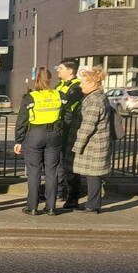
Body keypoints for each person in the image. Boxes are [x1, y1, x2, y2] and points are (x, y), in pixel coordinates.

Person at [14, 66, 65, 216]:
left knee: (34, 172)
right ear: (50, 79)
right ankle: (51, 207)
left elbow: (22, 121)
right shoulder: (58, 95)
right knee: (52, 172)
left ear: (36, 79)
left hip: (35, 135)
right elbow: (66, 115)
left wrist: (18, 140)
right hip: (54, 135)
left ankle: (32, 206)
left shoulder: (30, 97)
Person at [69, 66, 113, 214]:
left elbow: (87, 126)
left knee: (93, 174)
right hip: (96, 143)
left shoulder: (94, 101)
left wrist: (77, 146)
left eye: (83, 82)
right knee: (93, 174)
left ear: (92, 83)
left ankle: (93, 205)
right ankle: (92, 203)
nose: (80, 85)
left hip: (93, 145)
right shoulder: (97, 97)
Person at [55, 59, 85, 202]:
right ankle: (60, 189)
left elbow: (67, 101)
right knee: (58, 160)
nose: (58, 70)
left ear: (70, 71)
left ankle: (70, 192)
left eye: (61, 68)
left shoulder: (77, 86)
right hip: (61, 126)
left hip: (70, 127)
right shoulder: (60, 85)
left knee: (69, 161)